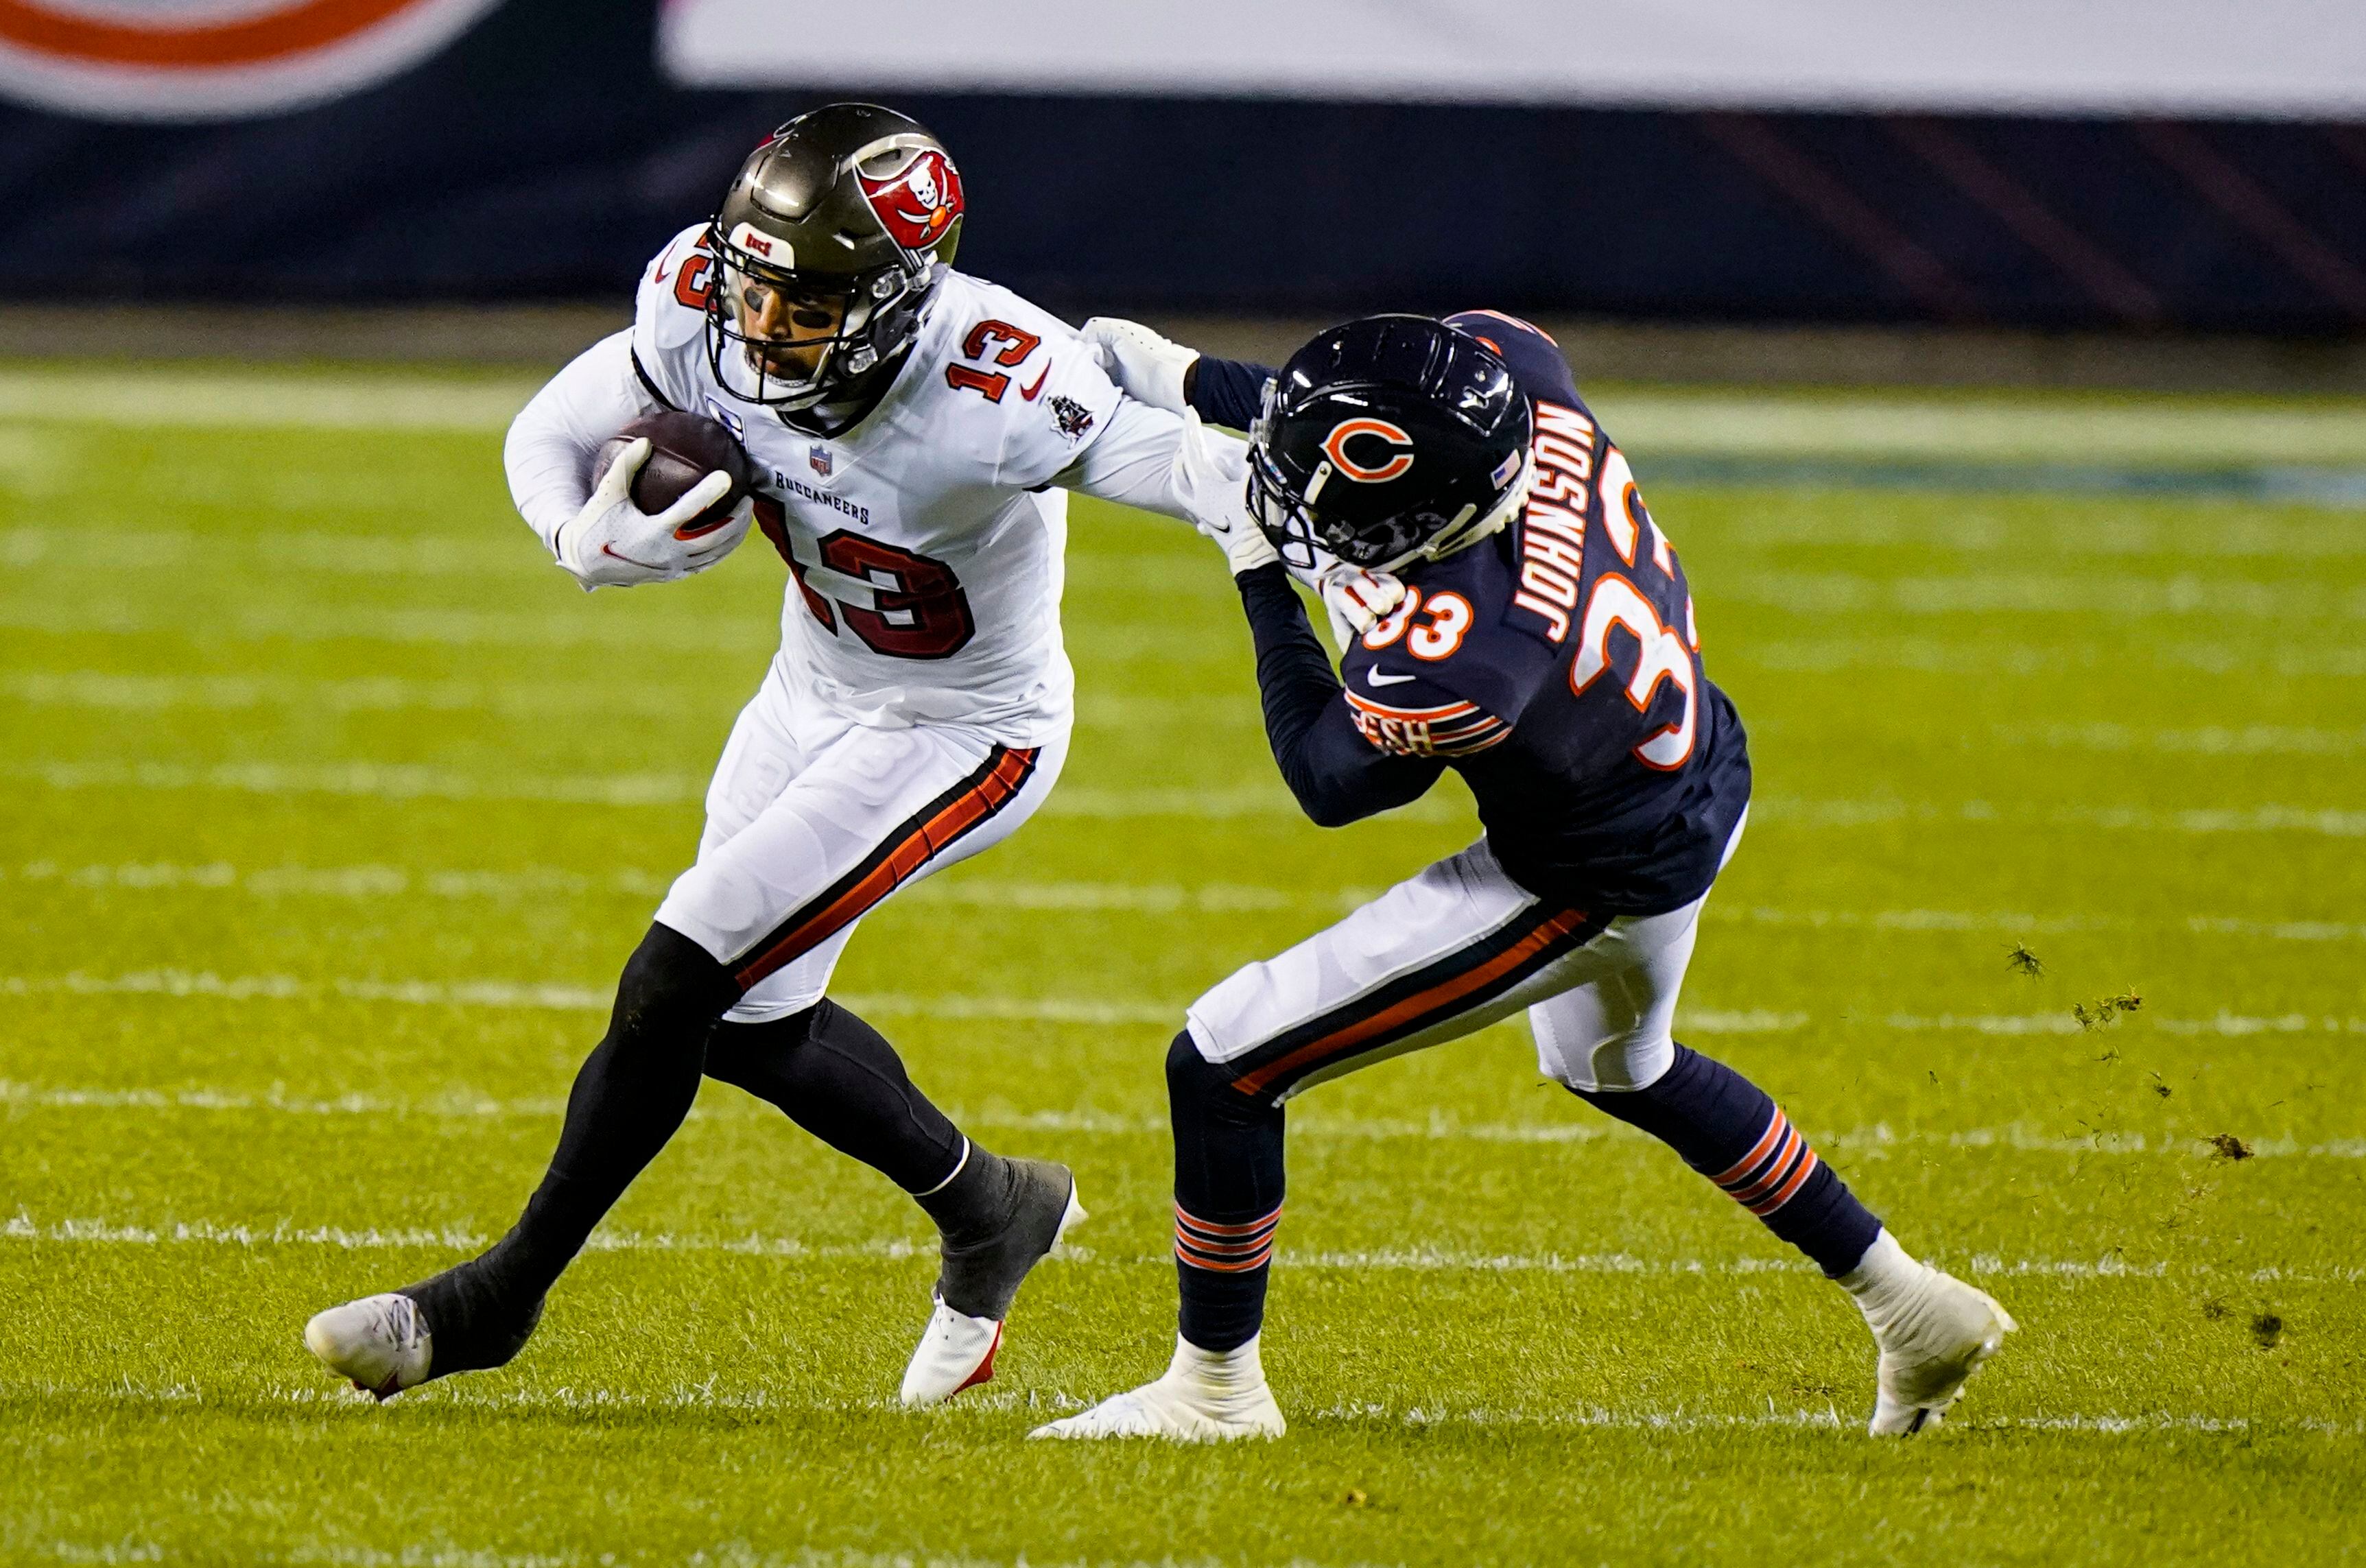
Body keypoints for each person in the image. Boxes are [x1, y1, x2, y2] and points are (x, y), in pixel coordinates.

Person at [300, 103, 1255, 1409]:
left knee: (679, 968)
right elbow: (547, 427)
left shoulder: (995, 381)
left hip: (962, 728)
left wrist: (1353, 513)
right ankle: (992, 1205)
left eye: (803, 306)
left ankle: (492, 1301)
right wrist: (577, 534)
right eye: (753, 288)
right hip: (808, 688)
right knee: (745, 1026)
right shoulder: (703, 308)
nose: (758, 327)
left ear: (899, 302)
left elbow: (1200, 475)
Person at [1033, 313, 2015, 1441]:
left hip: (1588, 874)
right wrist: (1195, 376)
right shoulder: (1517, 389)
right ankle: (1911, 1305)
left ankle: (1215, 1391)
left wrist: (1257, 570)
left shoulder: (1469, 656)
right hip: (1694, 768)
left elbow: (1329, 779)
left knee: (1224, 1062)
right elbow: (1387, 412)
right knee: (1621, 1066)